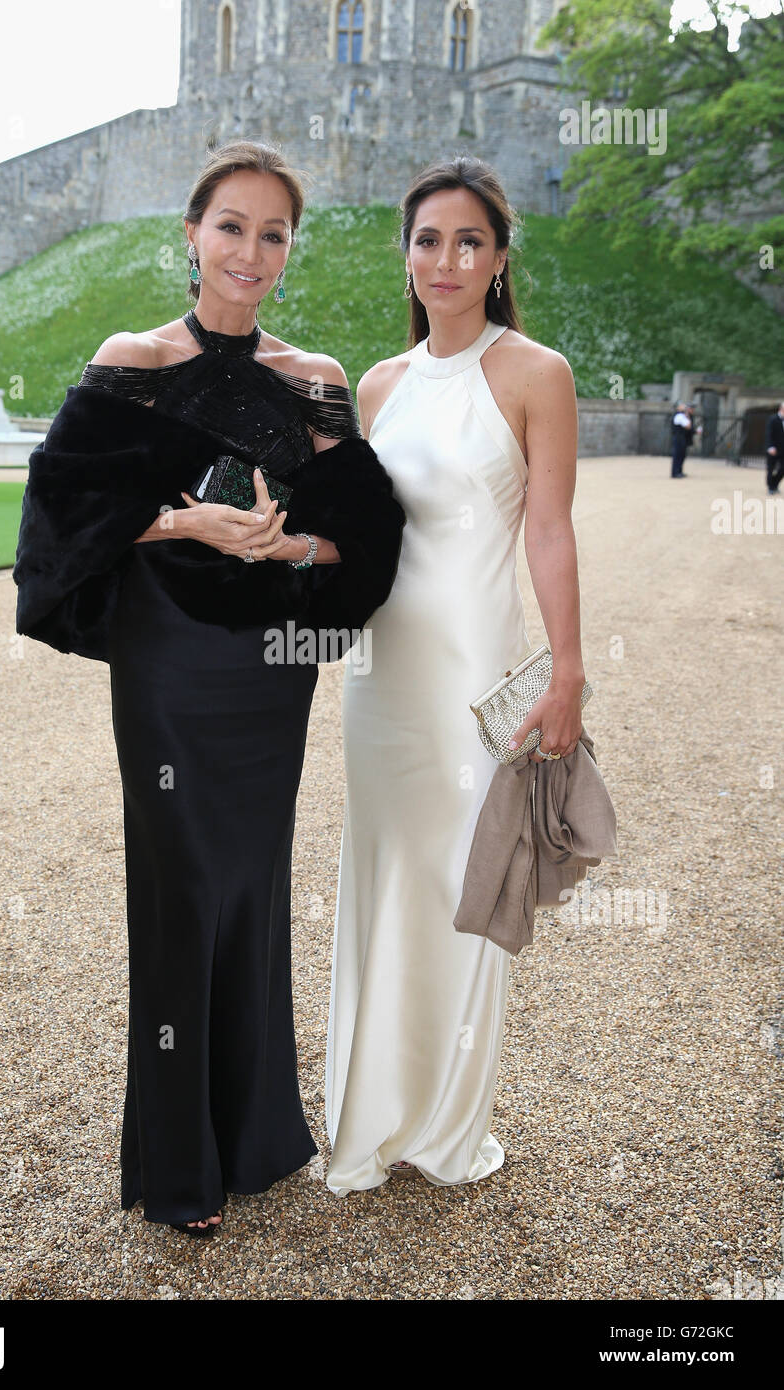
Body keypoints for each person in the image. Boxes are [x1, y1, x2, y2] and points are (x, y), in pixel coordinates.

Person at [12, 140, 405, 1236]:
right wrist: (190, 520)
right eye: (230, 225)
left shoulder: (314, 378)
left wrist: (287, 550)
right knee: (183, 885)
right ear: (191, 235)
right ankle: (180, 1165)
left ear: (289, 250)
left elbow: (364, 546)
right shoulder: (130, 357)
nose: (249, 249)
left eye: (272, 232)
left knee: (253, 883)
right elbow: (56, 524)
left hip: (267, 669)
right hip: (168, 657)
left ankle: (255, 1133)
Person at [324, 155, 587, 1195]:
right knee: (384, 879)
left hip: (471, 679)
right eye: (427, 239)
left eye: (467, 240)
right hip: (378, 677)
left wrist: (565, 673)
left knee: (462, 889)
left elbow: (553, 534)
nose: (445, 259)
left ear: (497, 257)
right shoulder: (377, 384)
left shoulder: (535, 373)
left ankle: (443, 1125)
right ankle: (369, 1115)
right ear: (406, 256)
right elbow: (352, 538)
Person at [765, 401, 784, 496]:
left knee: (783, 469)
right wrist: (770, 447)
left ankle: (774, 484)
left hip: (783, 449)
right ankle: (770, 487)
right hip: (773, 448)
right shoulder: (773, 419)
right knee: (770, 469)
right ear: (781, 408)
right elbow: (769, 434)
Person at [670, 402, 693, 477]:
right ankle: (676, 472)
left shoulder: (681, 415)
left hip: (680, 437)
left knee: (681, 455)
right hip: (678, 438)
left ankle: (679, 471)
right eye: (682, 406)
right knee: (677, 455)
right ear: (678, 407)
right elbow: (688, 426)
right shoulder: (679, 415)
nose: (684, 407)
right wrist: (687, 416)